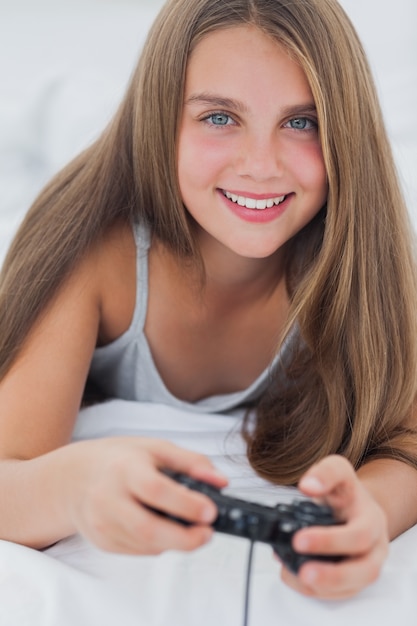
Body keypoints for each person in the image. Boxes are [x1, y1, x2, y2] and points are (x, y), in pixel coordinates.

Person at [0, 0, 416, 602]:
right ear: (162, 117)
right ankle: (57, 100)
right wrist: (74, 488)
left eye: (303, 122)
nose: (261, 164)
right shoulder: (92, 247)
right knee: (66, 115)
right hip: (110, 173)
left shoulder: (359, 255)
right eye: (219, 116)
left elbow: (406, 439)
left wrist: (371, 509)